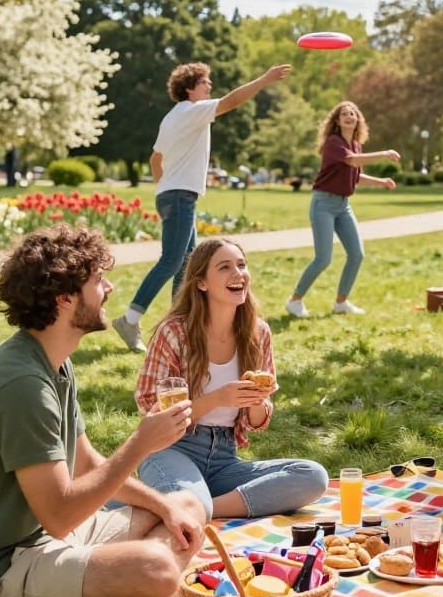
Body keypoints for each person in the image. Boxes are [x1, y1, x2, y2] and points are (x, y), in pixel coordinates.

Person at [0, 225, 207, 597]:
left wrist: (164, 508)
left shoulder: (54, 361)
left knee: (185, 507)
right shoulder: (22, 384)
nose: (109, 287)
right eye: (98, 281)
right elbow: (59, 513)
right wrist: (140, 443)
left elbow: (87, 464)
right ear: (64, 298)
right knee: (158, 568)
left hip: (43, 541)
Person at [136, 238, 329, 518]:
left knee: (313, 476)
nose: (238, 274)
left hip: (224, 458)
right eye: (225, 267)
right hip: (172, 449)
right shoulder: (175, 332)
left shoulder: (257, 333)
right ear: (201, 282)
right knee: (192, 502)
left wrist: (256, 400)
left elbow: (256, 421)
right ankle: (190, 505)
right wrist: (218, 398)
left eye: (241, 265)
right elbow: (151, 408)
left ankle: (197, 508)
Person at [113, 62, 292, 351]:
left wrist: (164, 187)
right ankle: (130, 319)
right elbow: (231, 101)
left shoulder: (171, 118)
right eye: (204, 82)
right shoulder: (192, 111)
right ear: (189, 88)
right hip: (180, 196)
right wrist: (265, 78)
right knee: (172, 261)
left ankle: (178, 326)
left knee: (186, 265)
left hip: (175, 194)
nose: (209, 86)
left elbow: (155, 160)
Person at [285, 101, 400, 317]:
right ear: (337, 121)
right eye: (345, 114)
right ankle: (295, 301)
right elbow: (351, 161)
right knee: (323, 259)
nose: (350, 116)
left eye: (353, 114)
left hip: (343, 205)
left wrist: (381, 182)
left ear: (358, 120)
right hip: (323, 205)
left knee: (356, 254)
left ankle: (341, 302)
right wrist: (383, 154)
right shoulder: (334, 143)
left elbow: (355, 175)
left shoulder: (356, 144)